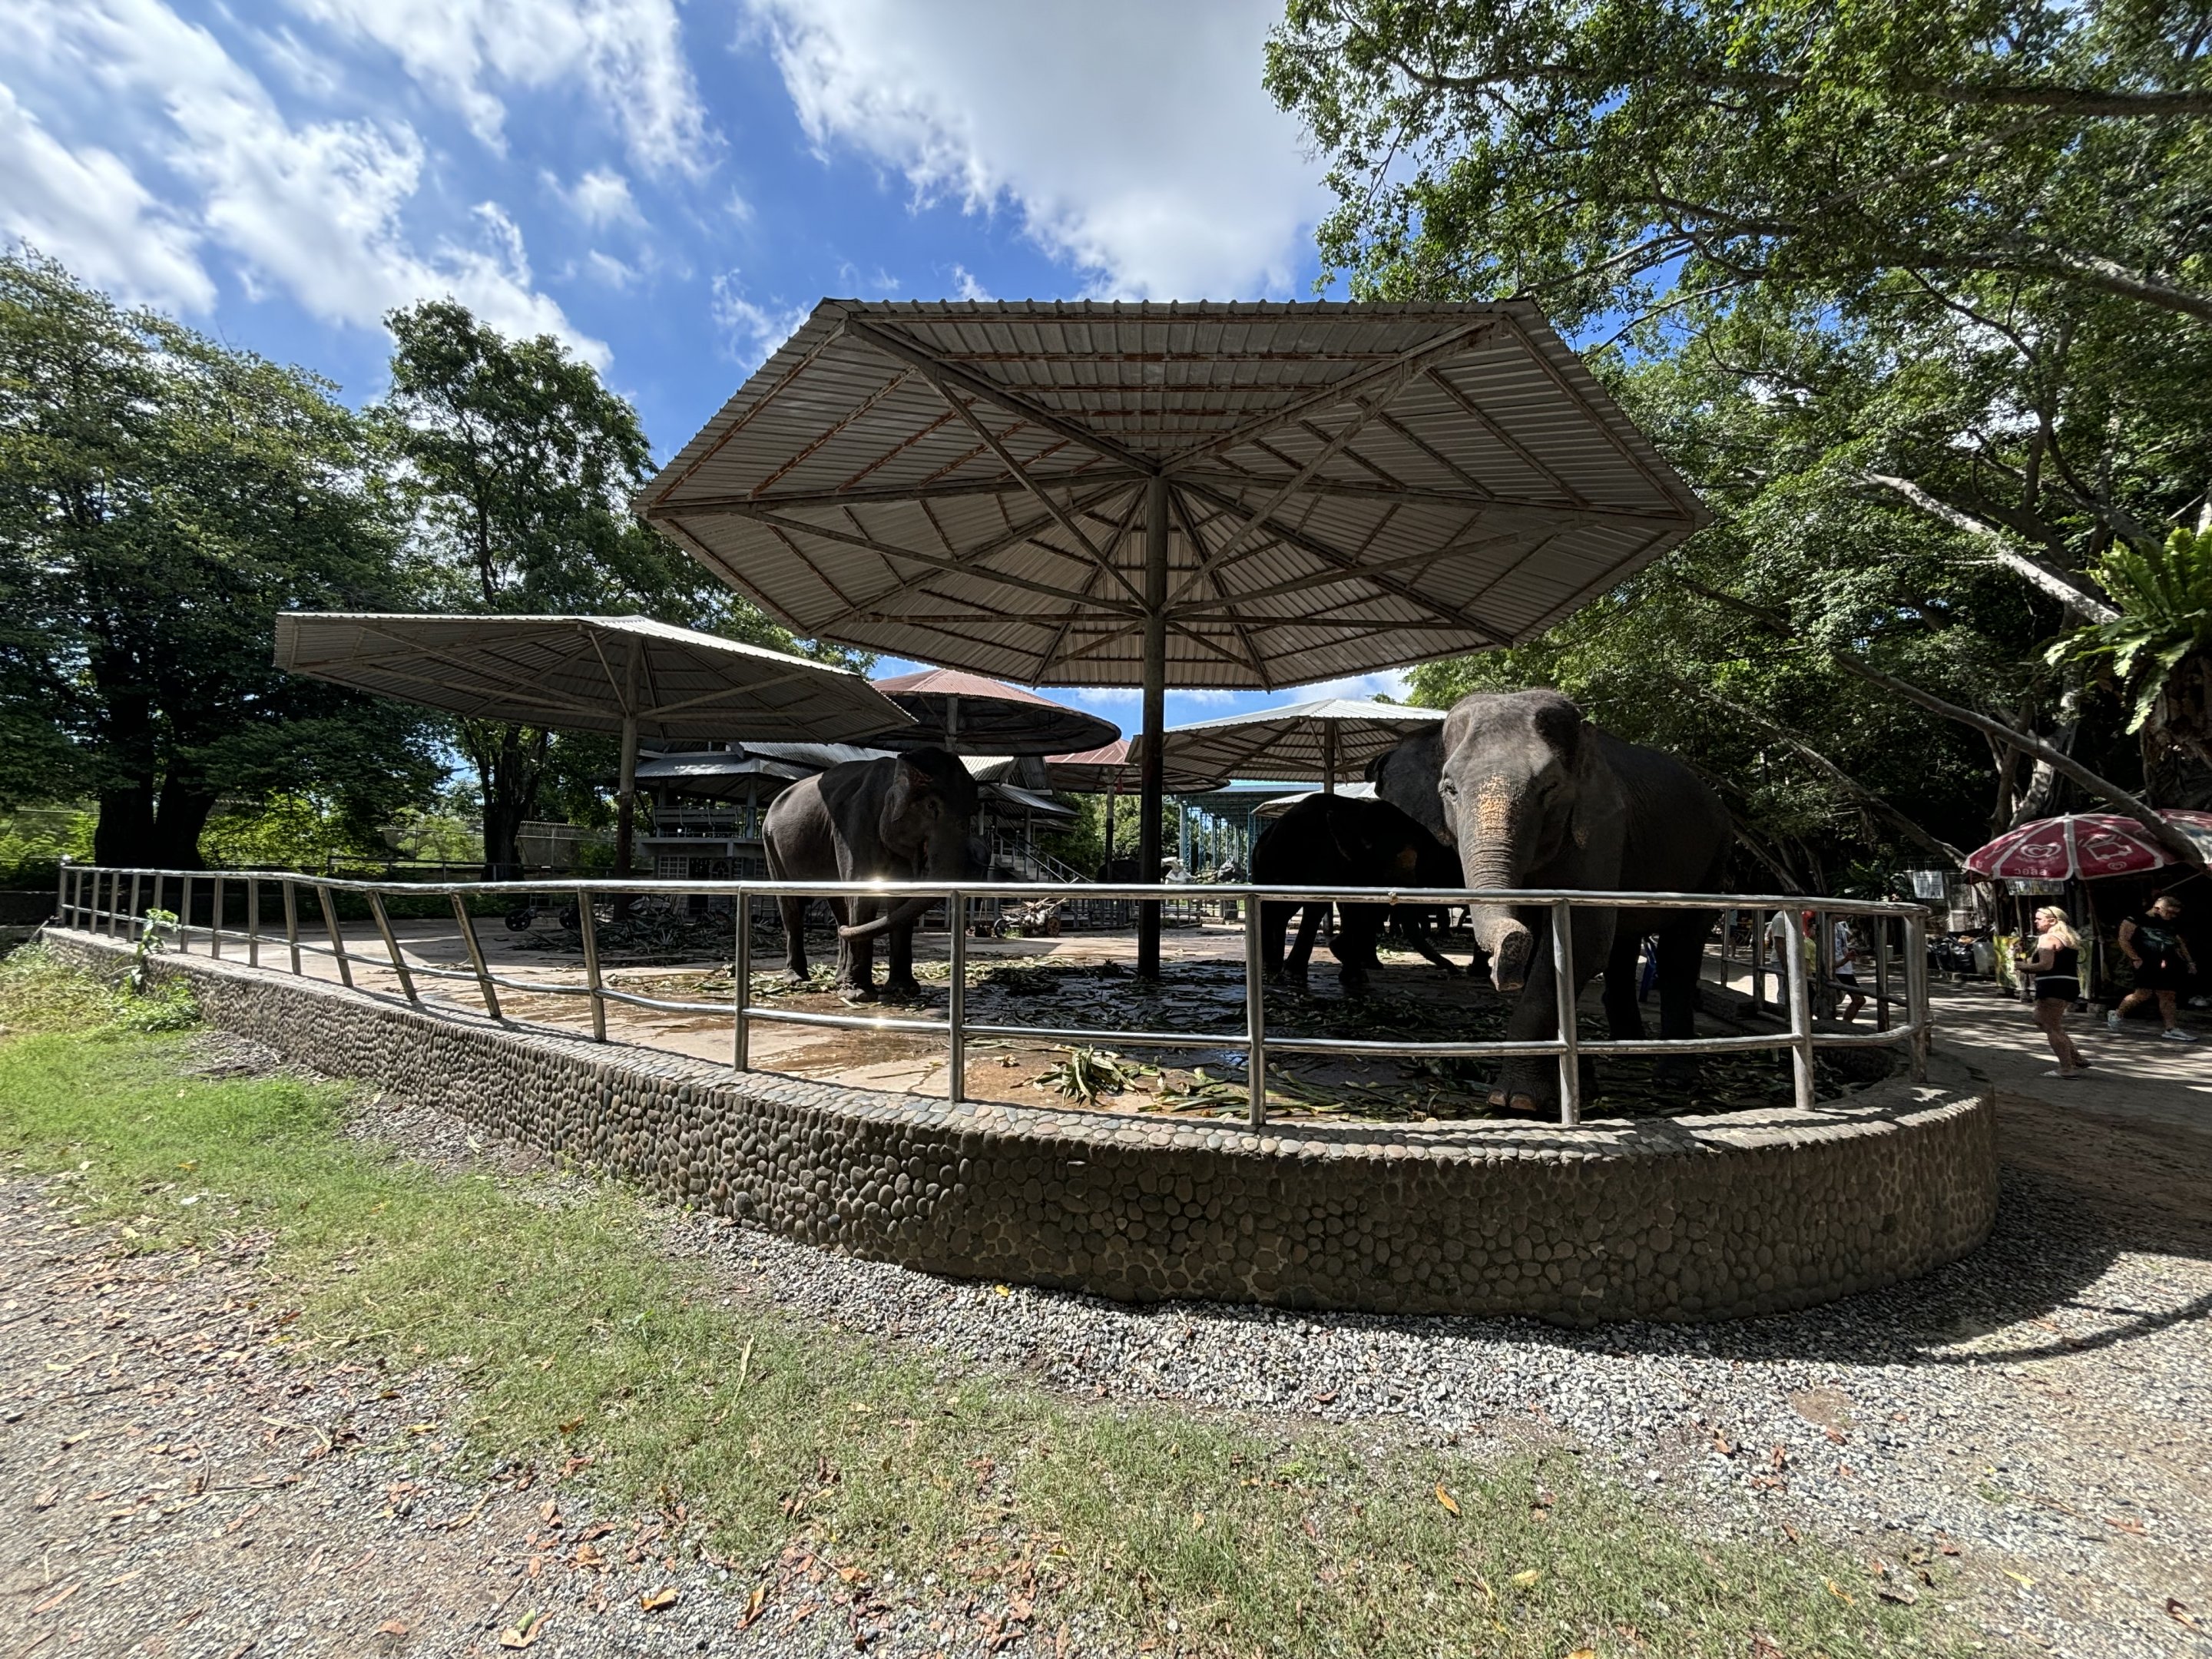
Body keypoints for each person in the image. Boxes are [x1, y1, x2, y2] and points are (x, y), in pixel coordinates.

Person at [2108, 893, 2198, 1041]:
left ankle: (2170, 1028)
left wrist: (2190, 962)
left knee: (2168, 995)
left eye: (2175, 913)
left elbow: (2179, 943)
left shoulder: (2170, 924)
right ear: (2157, 908)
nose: (2172, 916)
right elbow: (2123, 939)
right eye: (2169, 912)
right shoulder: (2136, 919)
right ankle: (2117, 1013)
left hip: (2168, 963)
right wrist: (2135, 958)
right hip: (2146, 962)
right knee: (2143, 994)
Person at [2015, 906, 2089, 1077]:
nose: (2036, 921)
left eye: (2039, 918)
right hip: (2067, 984)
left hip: (2053, 985)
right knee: (2047, 1021)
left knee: (2049, 1024)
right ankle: (2076, 1058)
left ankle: (2066, 1067)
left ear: (2052, 921)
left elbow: (2045, 965)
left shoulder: (2047, 938)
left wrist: (2024, 967)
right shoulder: (2068, 939)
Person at [1831, 915, 1866, 1025]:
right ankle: (1844, 1024)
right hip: (1837, 969)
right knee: (1857, 998)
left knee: (1858, 999)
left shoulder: (1840, 927)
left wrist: (1849, 956)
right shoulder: (1825, 927)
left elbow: (1842, 947)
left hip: (1845, 968)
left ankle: (1845, 1024)